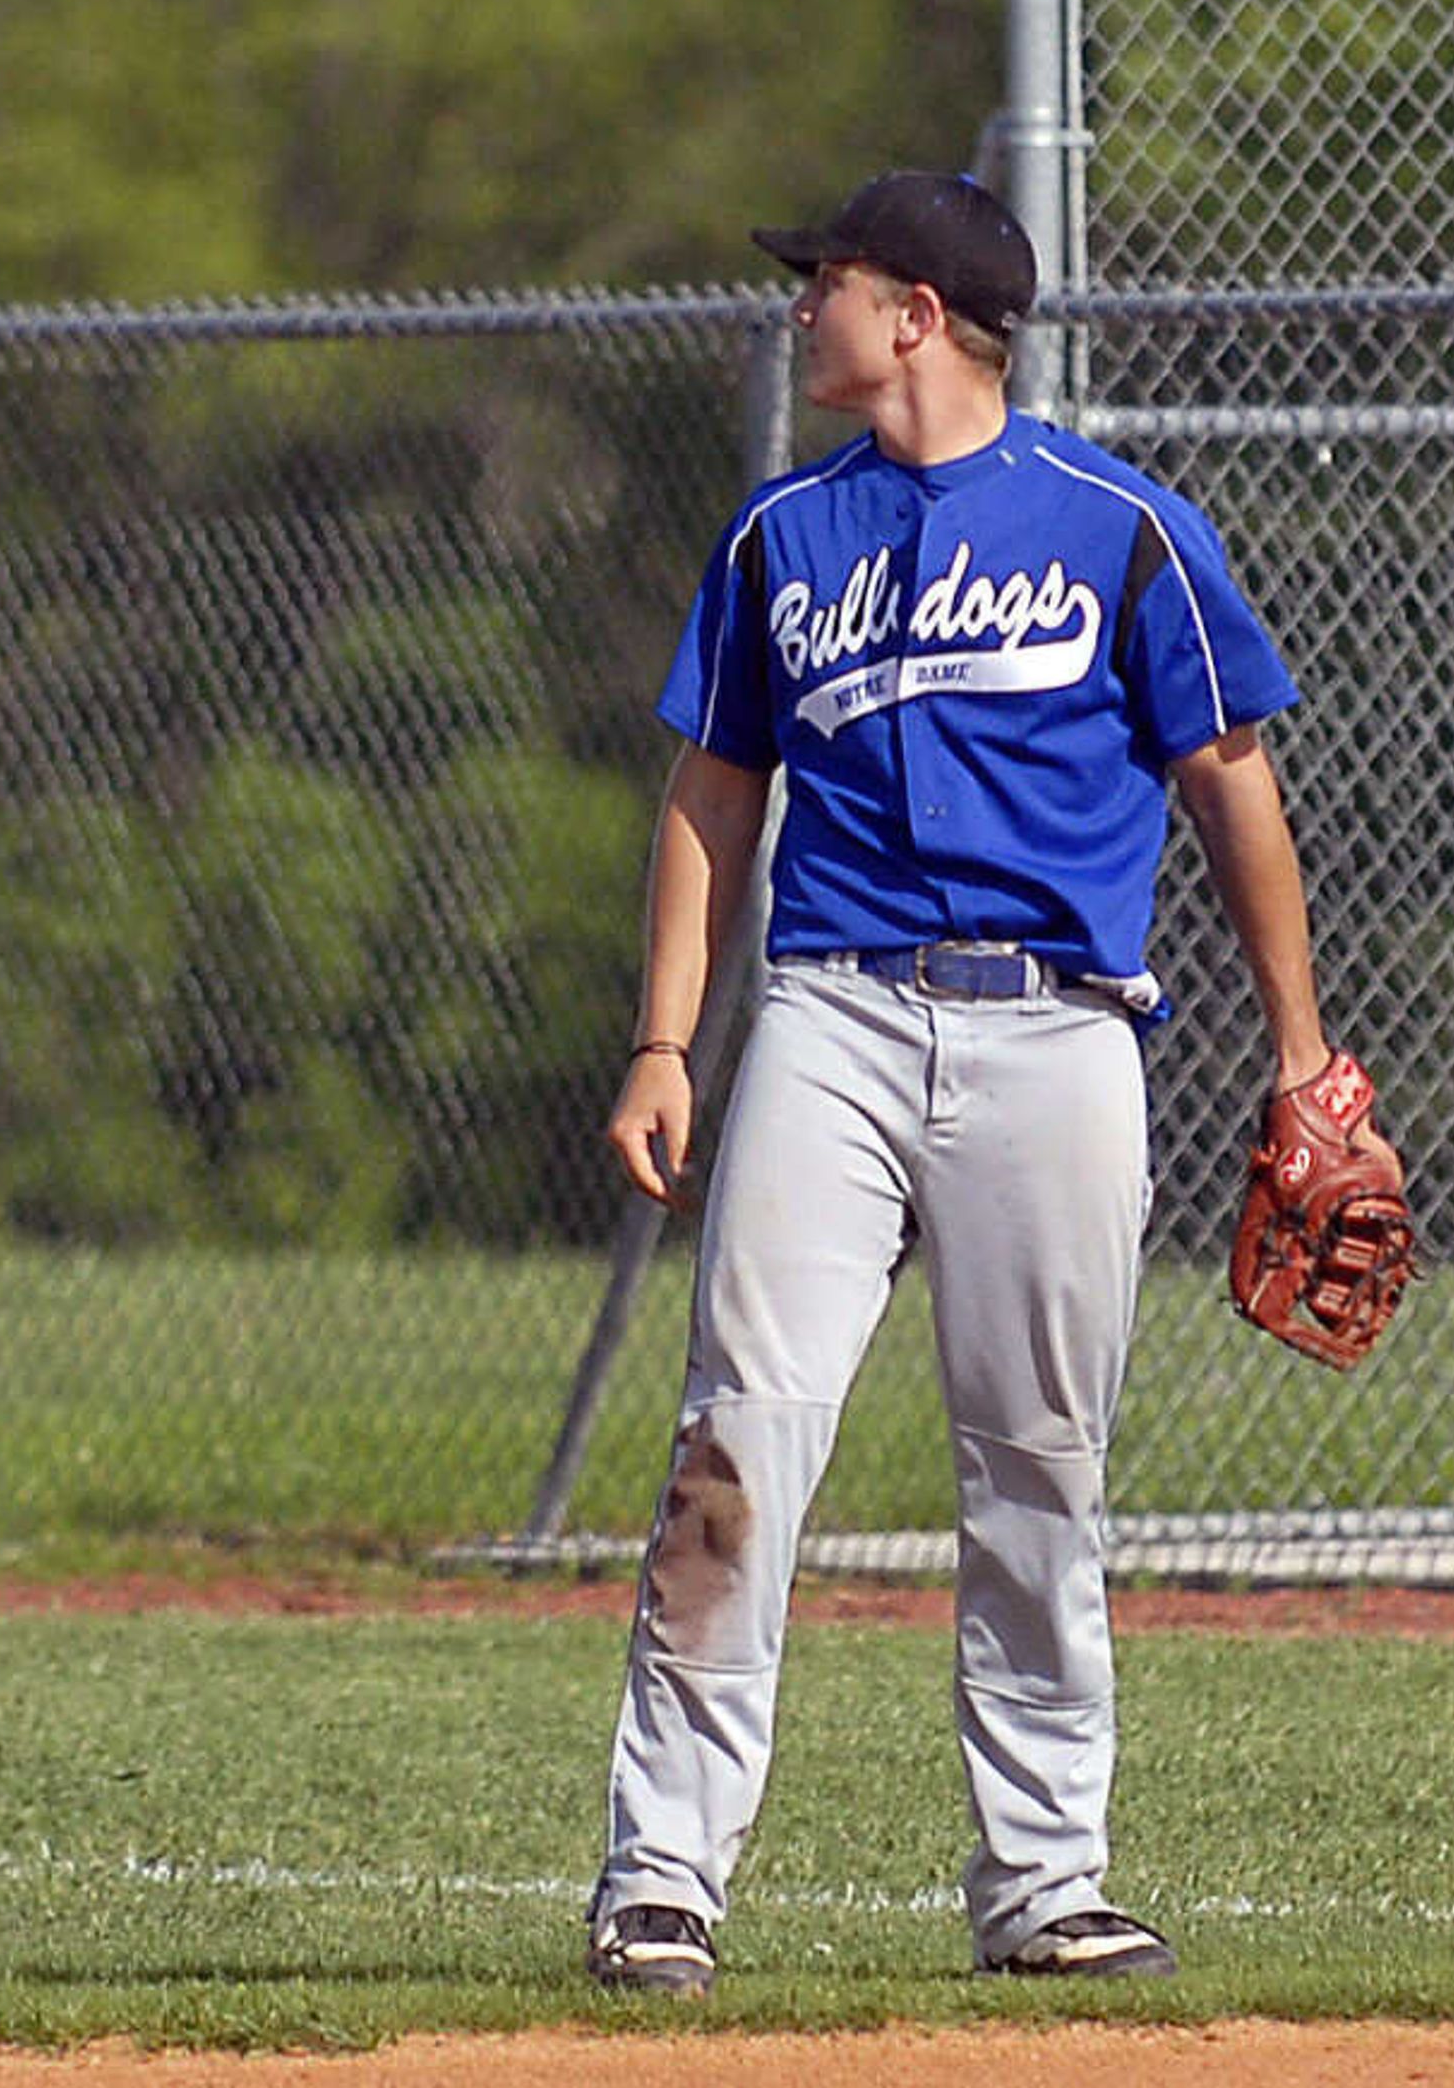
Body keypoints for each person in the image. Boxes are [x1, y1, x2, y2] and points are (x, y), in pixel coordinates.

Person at [582, 168, 1400, 2000]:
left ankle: (1043, 1876)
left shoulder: (1121, 527)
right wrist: (664, 1036)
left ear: (920, 316)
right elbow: (714, 799)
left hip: (1060, 1030)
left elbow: (1233, 786)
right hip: (833, 1021)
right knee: (737, 1435)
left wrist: (1300, 1055)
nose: (802, 309)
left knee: (1038, 1461)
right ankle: (662, 1877)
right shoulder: (774, 538)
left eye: (829, 282)